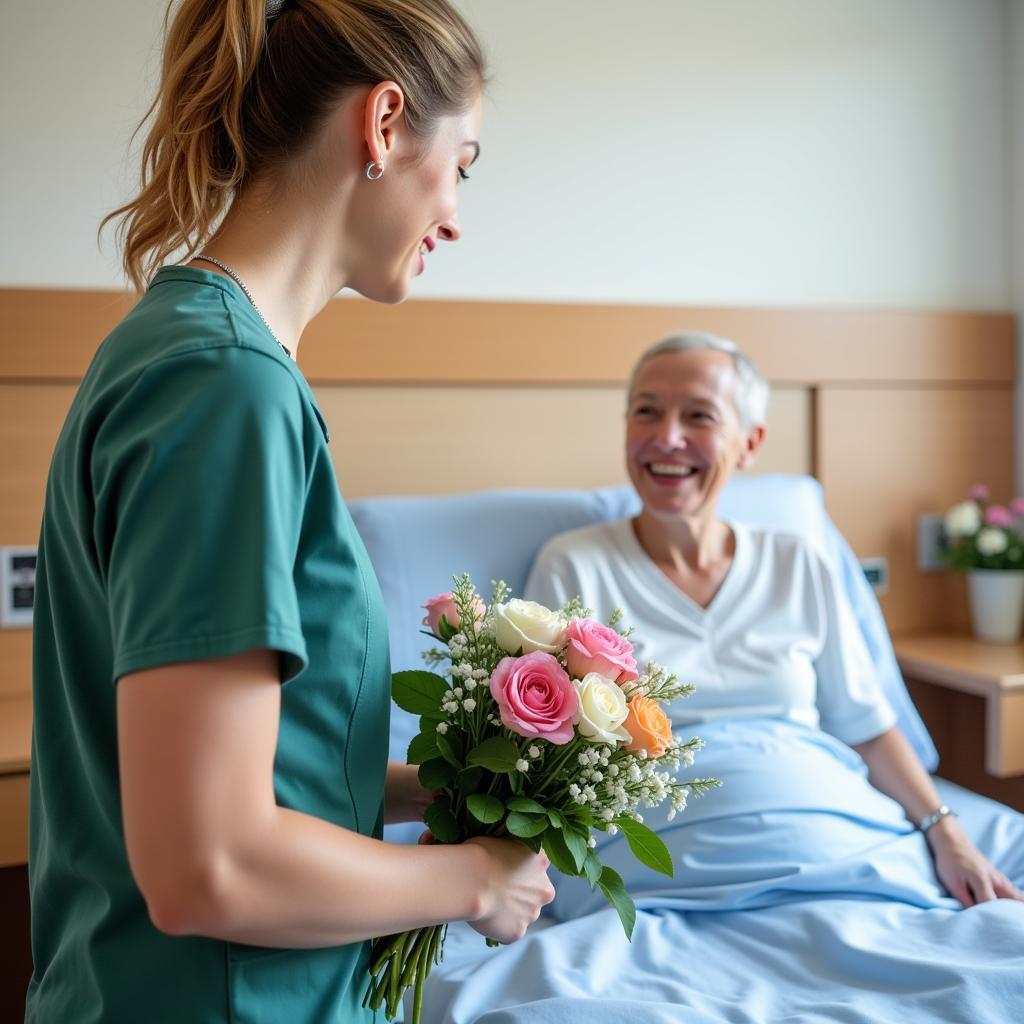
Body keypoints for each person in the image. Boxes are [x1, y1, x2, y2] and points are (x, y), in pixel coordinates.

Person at [26, 2, 554, 1021]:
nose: (456, 215)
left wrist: (431, 794)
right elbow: (209, 866)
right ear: (386, 122)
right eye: (465, 164)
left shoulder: (198, 353)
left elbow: (248, 766)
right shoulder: (225, 386)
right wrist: (476, 880)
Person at [526, 332, 1023, 910]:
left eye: (699, 416)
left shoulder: (799, 561)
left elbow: (867, 725)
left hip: (842, 844)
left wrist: (948, 834)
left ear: (749, 442)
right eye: (647, 411)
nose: (668, 437)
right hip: (663, 872)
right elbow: (546, 753)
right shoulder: (574, 567)